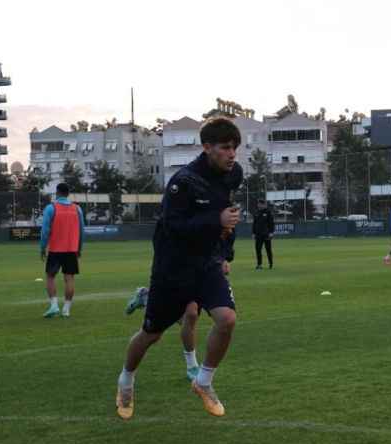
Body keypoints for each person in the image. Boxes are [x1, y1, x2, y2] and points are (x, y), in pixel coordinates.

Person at [115, 116, 243, 420]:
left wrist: (225, 252)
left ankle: (203, 382)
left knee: (226, 319)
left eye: (235, 147)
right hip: (173, 267)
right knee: (151, 334)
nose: (232, 154)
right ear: (207, 147)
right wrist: (216, 221)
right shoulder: (182, 182)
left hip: (207, 264)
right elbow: (173, 227)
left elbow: (229, 215)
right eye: (225, 147)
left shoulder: (232, 174)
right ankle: (126, 380)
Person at [124, 231, 236, 382]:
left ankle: (147, 297)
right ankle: (192, 366)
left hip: (206, 270)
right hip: (180, 268)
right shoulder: (185, 216)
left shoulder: (227, 219)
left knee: (195, 316)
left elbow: (224, 247)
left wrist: (221, 261)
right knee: (189, 315)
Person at [39, 182, 84, 318]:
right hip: (71, 249)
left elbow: (45, 231)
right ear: (68, 193)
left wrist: (42, 248)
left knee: (50, 276)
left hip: (55, 249)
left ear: (57, 193)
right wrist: (79, 248)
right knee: (69, 278)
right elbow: (82, 231)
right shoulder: (77, 209)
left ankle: (53, 306)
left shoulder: (51, 208)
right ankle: (66, 309)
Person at [253, 199, 274, 270]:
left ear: (263, 204)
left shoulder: (268, 212)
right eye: (258, 204)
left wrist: (271, 232)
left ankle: (270, 264)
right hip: (258, 235)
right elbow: (254, 224)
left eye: (260, 204)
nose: (258, 205)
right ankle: (259, 265)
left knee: (268, 249)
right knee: (258, 249)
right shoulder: (256, 212)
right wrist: (253, 233)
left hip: (266, 234)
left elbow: (271, 223)